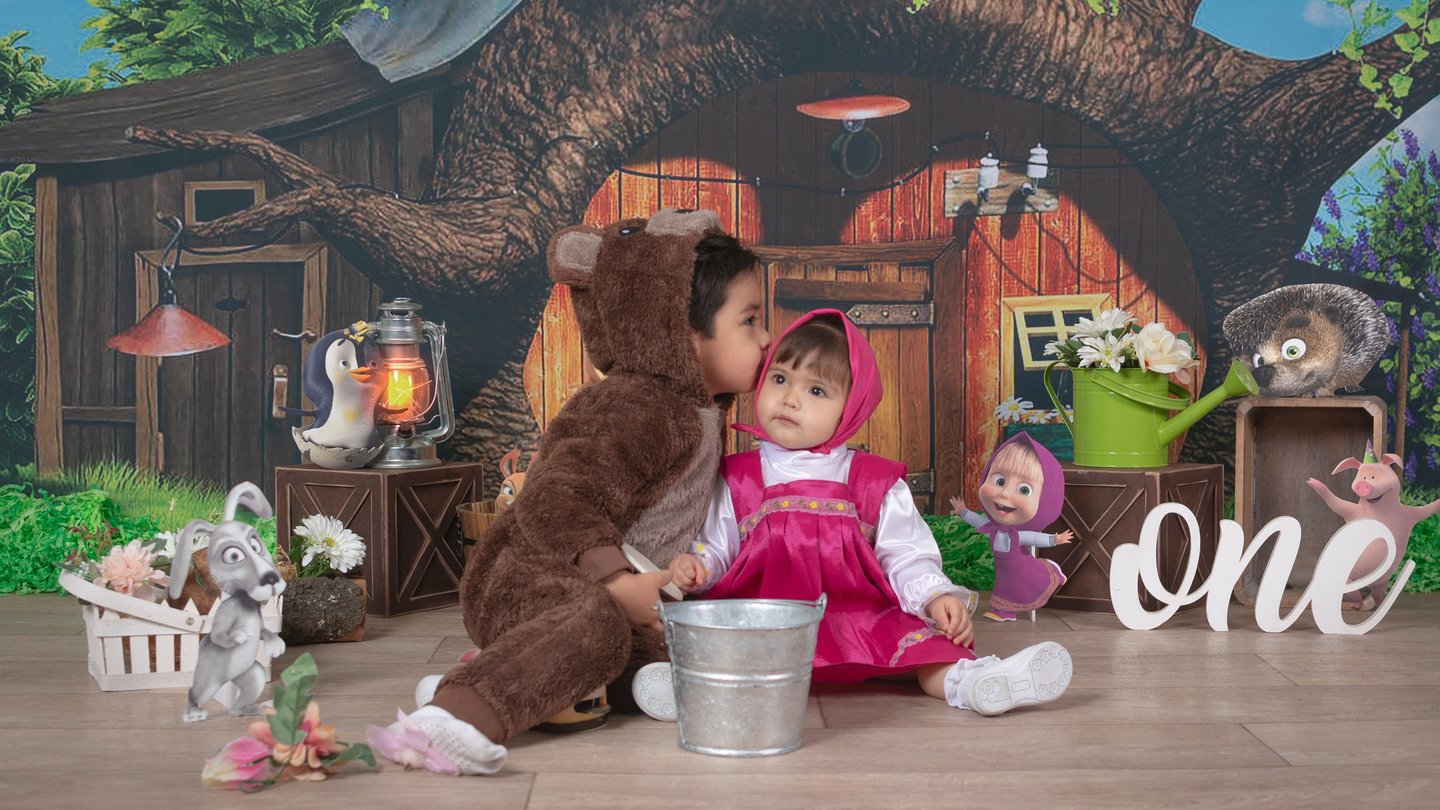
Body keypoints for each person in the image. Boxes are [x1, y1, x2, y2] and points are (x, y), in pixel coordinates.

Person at [367, 210, 771, 775]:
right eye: (750, 321)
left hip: (618, 585)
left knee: (697, 636)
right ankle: (450, 718)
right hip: (530, 571)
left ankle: (519, 673)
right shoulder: (635, 405)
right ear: (678, 327)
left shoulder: (698, 411)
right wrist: (616, 581)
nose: (767, 338)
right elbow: (557, 498)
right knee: (600, 622)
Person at [650, 309, 1072, 717]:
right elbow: (716, 544)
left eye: (816, 391)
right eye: (779, 379)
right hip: (764, 619)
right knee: (719, 649)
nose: (790, 399)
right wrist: (697, 564)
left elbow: (905, 555)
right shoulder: (738, 476)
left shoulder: (874, 482)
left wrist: (934, 595)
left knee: (930, 652)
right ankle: (686, 687)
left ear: (852, 407)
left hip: (856, 621)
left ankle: (976, 683)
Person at [950, 432, 1073, 622]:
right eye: (999, 481)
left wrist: (1055, 539)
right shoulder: (993, 527)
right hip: (1004, 569)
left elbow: (1033, 538)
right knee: (1004, 585)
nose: (1005, 494)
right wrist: (963, 511)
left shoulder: (1017, 535)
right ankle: (1004, 610)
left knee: (1030, 582)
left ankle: (1054, 573)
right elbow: (978, 521)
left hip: (1022, 568)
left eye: (1024, 490)